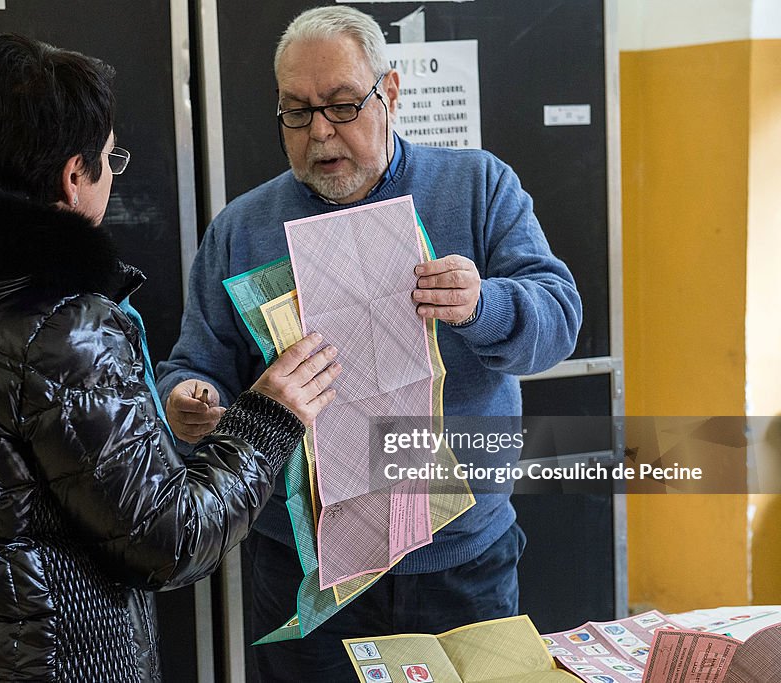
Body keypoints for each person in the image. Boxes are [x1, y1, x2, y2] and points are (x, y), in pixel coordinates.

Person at [0, 33, 340, 682]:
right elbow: (169, 538)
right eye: (109, 158)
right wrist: (269, 417)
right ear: (72, 175)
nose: (112, 173)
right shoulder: (57, 322)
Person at [156, 6, 582, 680]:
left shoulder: (477, 186)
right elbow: (192, 368)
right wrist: (183, 399)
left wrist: (484, 305)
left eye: (342, 104)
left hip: (460, 561)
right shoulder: (242, 227)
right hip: (304, 572)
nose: (320, 131)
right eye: (296, 111)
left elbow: (559, 319)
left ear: (391, 92)